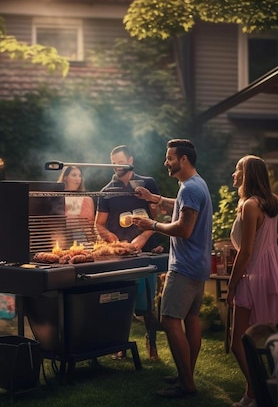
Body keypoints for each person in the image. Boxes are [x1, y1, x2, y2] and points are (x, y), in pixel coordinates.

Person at [133, 139, 212, 398]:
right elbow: (180, 207)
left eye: (170, 158)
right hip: (199, 265)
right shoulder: (195, 184)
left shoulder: (189, 189)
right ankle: (185, 374)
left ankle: (187, 384)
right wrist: (154, 198)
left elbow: (183, 229)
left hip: (185, 267)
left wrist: (151, 225)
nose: (166, 162)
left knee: (168, 319)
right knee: (191, 319)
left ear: (184, 160)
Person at [226, 155, 278, 407]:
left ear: (248, 174)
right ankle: (255, 392)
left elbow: (246, 252)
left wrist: (231, 286)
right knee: (256, 338)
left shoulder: (251, 205)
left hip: (253, 275)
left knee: (239, 341)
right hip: (269, 273)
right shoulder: (268, 203)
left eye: (238, 169)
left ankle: (258, 391)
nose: (233, 173)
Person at [96, 145, 162, 360]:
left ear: (130, 160)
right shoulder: (106, 191)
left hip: (146, 252)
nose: (116, 166)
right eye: (113, 162)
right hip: (120, 256)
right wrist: (112, 239)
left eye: (120, 161)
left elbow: (156, 216)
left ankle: (151, 344)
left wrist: (143, 238)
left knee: (147, 303)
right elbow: (100, 225)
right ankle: (119, 345)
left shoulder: (147, 184)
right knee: (119, 300)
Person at [57, 165, 95, 242]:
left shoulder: (87, 199)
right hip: (60, 236)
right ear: (65, 178)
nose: (78, 178)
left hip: (81, 237)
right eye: (74, 175)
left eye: (79, 176)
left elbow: (90, 225)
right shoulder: (57, 197)